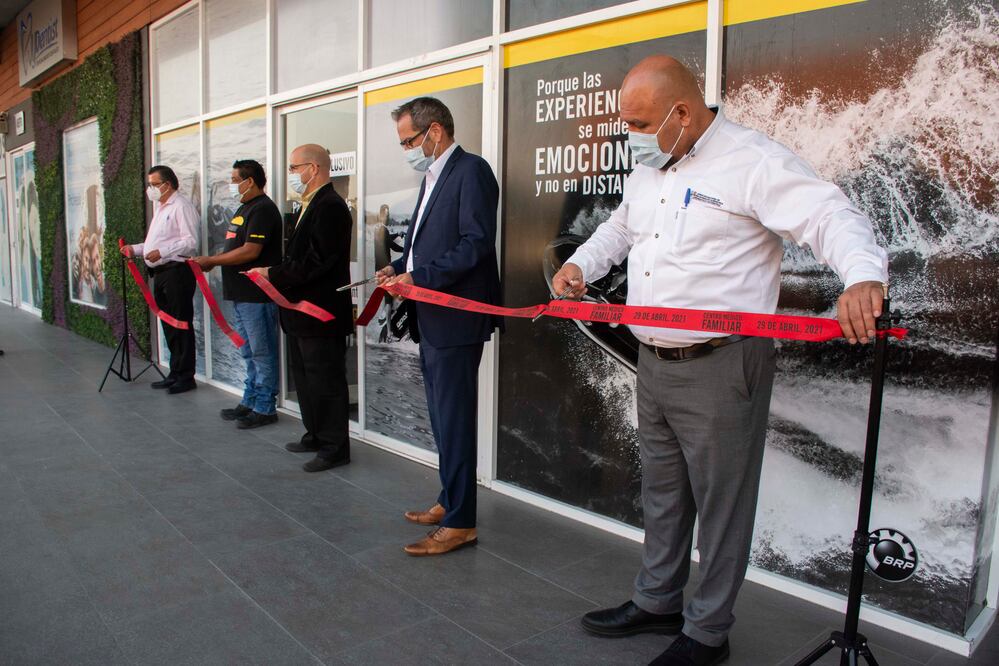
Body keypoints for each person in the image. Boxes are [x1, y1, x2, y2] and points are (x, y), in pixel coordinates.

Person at [551, 56, 888, 666]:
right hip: (651, 358)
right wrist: (582, 264)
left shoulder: (753, 161)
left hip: (721, 363)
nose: (632, 137)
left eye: (641, 123)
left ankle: (708, 633)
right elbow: (622, 229)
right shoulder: (652, 166)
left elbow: (830, 215)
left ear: (682, 112)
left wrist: (862, 277)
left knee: (722, 503)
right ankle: (658, 601)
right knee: (663, 492)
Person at [376, 97, 502, 557]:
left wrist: (419, 278)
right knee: (441, 419)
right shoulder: (432, 176)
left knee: (455, 420)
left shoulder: (472, 171)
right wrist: (397, 268)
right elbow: (423, 248)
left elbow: (475, 244)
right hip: (431, 315)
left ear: (434, 132)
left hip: (457, 316)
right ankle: (450, 500)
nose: (407, 148)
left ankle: (461, 523)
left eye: (409, 139)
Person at [248, 144, 353, 473]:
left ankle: (336, 447)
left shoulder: (331, 206)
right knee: (306, 379)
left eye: (295, 168)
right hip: (299, 313)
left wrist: (272, 274)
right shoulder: (309, 205)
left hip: (319, 313)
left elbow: (318, 261)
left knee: (326, 381)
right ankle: (316, 434)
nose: (292, 174)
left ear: (314, 168)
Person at [192, 160, 282, 429]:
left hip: (257, 296)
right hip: (241, 295)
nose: (232, 184)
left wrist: (213, 260)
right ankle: (251, 400)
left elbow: (250, 251)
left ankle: (265, 408)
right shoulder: (245, 208)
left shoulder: (264, 209)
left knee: (261, 352)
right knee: (248, 352)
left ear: (249, 181)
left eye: (234, 179)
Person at [121, 165, 201, 394]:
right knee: (169, 324)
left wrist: (163, 251)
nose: (151, 189)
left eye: (154, 184)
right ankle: (175, 372)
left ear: (167, 184)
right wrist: (135, 250)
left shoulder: (181, 207)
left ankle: (186, 376)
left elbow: (190, 241)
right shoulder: (160, 207)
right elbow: (153, 244)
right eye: (150, 185)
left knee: (180, 324)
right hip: (161, 273)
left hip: (177, 272)